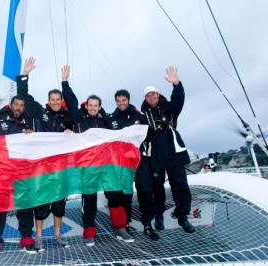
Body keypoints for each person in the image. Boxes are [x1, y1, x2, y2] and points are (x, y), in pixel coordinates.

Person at [61, 65, 134, 247]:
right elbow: (70, 101)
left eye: (96, 105)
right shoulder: (79, 118)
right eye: (90, 105)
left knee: (115, 195)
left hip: (107, 165)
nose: (93, 108)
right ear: (87, 106)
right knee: (89, 198)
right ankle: (89, 232)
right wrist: (65, 83)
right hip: (87, 166)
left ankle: (120, 227)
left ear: (100, 107)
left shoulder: (106, 120)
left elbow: (122, 133)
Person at [16, 57, 73, 251]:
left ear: (61, 101)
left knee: (58, 204)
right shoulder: (39, 112)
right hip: (41, 167)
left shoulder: (67, 117)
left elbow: (74, 107)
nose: (55, 102)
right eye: (53, 100)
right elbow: (23, 96)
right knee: (40, 204)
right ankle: (39, 237)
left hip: (60, 168)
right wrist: (24, 75)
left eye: (58, 100)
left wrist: (65, 82)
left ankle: (57, 235)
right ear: (48, 101)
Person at [0, 95, 38, 257]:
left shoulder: (29, 123)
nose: (18, 107)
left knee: (25, 207)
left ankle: (26, 239)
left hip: (22, 171)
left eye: (21, 105)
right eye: (16, 104)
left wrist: (32, 136)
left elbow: (38, 145)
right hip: (0, 172)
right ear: (10, 105)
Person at [141, 66, 195, 233]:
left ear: (158, 95)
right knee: (157, 187)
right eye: (148, 95)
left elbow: (179, 99)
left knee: (180, 184)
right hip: (156, 156)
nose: (151, 97)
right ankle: (159, 215)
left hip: (175, 153)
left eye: (153, 94)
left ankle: (182, 216)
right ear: (146, 98)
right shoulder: (143, 116)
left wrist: (177, 84)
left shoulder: (170, 108)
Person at [108, 89, 159, 240]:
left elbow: (149, 134)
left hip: (138, 159)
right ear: (115, 102)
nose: (121, 103)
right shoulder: (111, 118)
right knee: (125, 193)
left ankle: (148, 224)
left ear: (128, 100)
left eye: (124, 100)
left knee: (145, 189)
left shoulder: (140, 116)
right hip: (121, 162)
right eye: (118, 101)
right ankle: (126, 223)